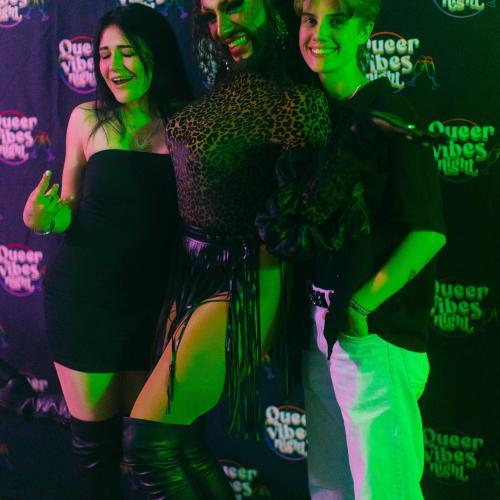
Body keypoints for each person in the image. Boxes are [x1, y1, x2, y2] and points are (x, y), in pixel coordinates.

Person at [121, 0, 331, 497]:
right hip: (191, 271)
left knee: (147, 443)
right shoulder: (228, 82)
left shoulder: (297, 101)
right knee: (183, 442)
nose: (221, 27)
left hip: (244, 277)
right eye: (210, 16)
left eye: (234, 7)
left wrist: (263, 301)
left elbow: (299, 223)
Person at [258, 0, 447, 498]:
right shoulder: (310, 118)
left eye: (337, 20)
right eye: (310, 19)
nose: (319, 33)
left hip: (373, 336)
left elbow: (428, 232)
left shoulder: (390, 112)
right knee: (330, 489)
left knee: (385, 491)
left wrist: (363, 307)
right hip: (319, 332)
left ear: (365, 29)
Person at [22, 5, 189, 498]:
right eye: (104, 54)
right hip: (84, 300)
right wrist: (42, 218)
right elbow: (69, 209)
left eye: (127, 52)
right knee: (95, 450)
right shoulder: (87, 118)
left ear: (156, 53)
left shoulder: (189, 125)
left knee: (148, 447)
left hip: (154, 307)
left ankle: (37, 404)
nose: (113, 66)